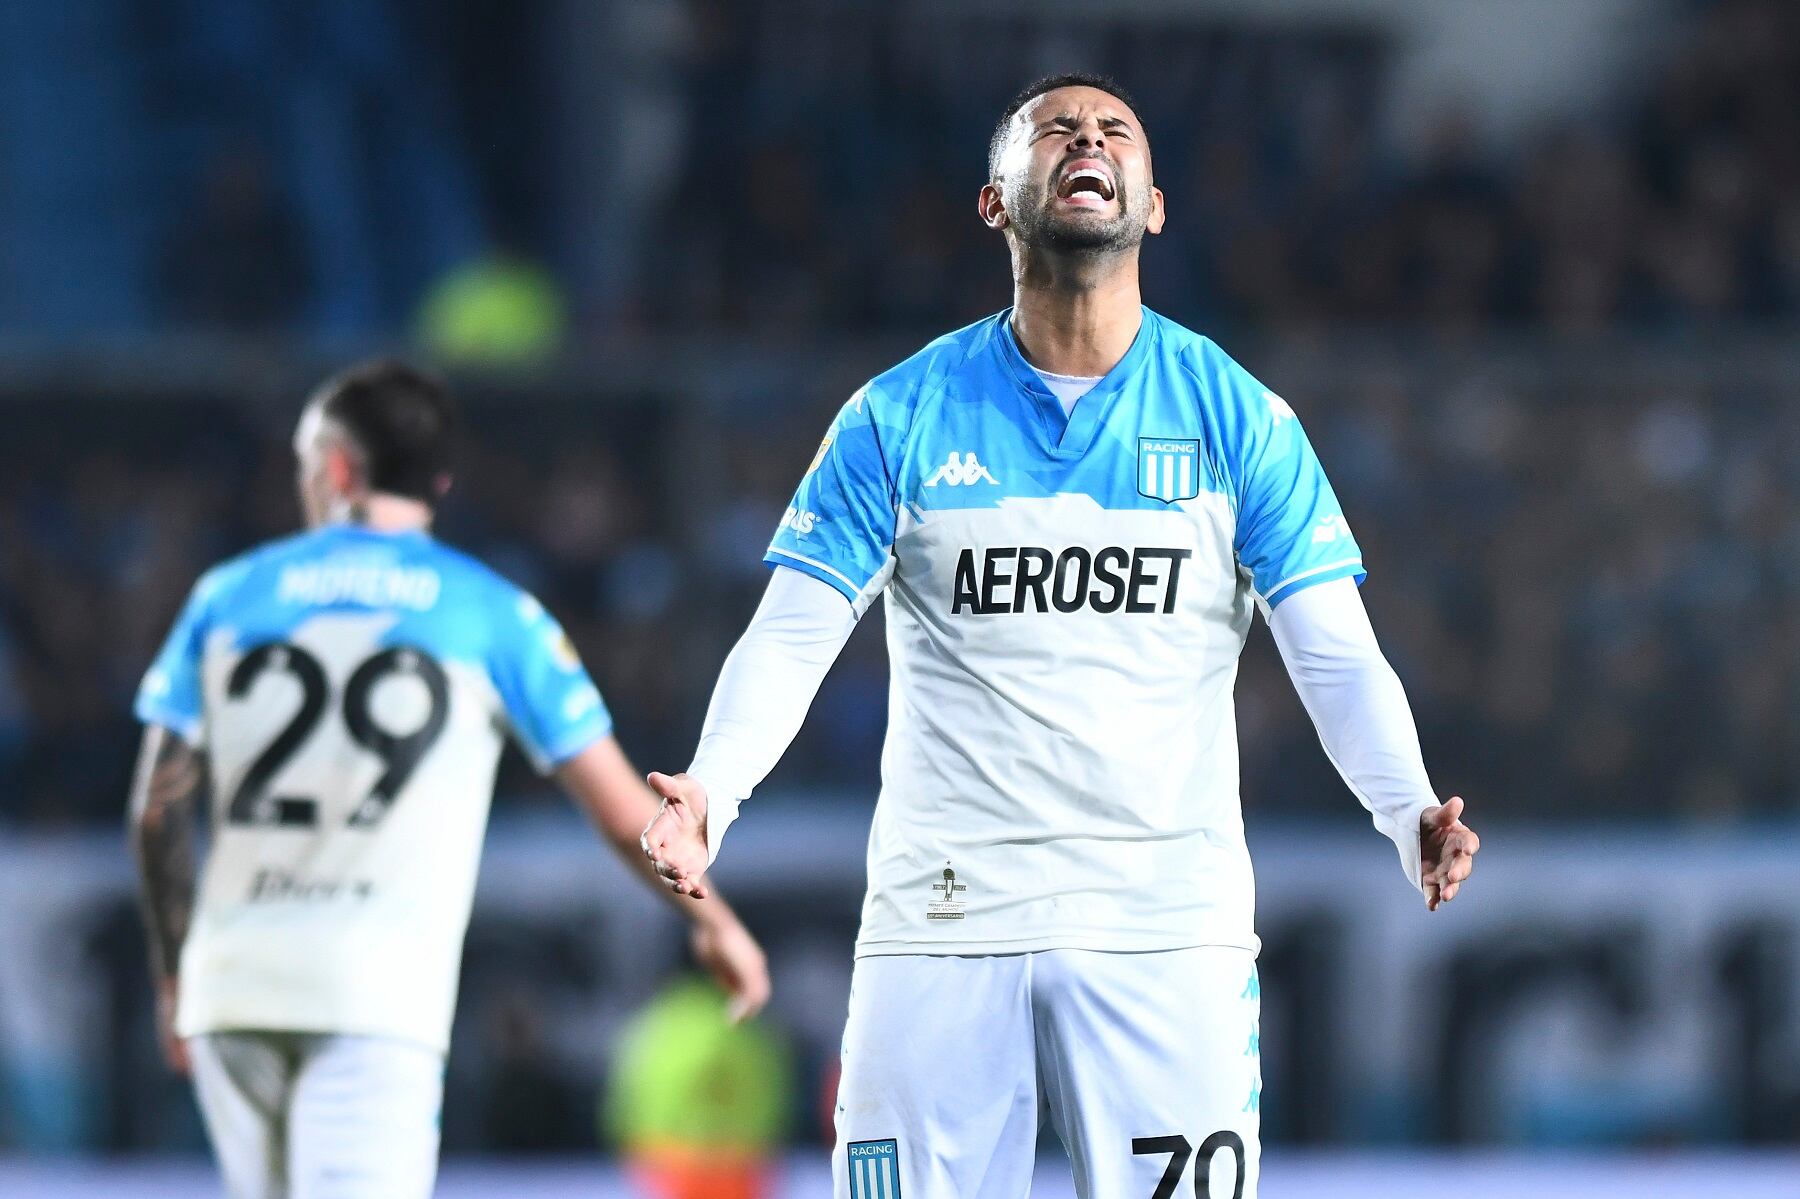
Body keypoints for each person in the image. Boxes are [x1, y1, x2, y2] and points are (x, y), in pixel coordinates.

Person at [641, 73, 1479, 1198]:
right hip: (941, 920)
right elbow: (790, 635)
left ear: (1155, 203)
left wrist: (1406, 802)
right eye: (1057, 130)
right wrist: (712, 789)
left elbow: (1333, 650)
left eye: (1116, 130)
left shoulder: (1239, 417)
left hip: (1164, 929)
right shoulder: (897, 416)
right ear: (996, 203)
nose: (1088, 140)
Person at [128, 360, 769, 1199]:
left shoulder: (226, 596)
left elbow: (155, 807)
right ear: (439, 479)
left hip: (232, 985)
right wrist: (717, 925)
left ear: (337, 466)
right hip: (373, 993)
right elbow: (627, 814)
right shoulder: (491, 614)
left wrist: (176, 969)